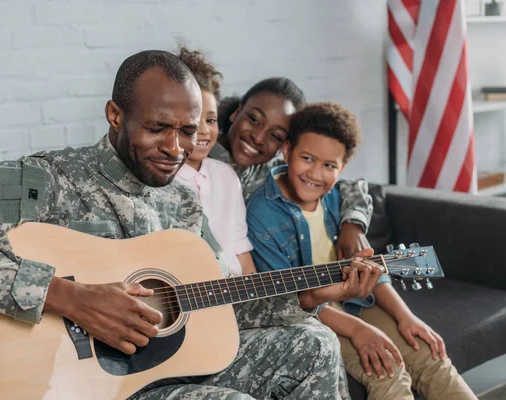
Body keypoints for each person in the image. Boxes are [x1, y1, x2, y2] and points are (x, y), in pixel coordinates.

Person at [0, 50, 384, 400]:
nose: (176, 148)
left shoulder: (182, 205)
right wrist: (67, 296)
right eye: (158, 128)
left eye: (189, 131)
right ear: (116, 116)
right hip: (81, 386)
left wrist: (308, 295)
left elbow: (217, 302)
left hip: (168, 368)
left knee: (316, 342)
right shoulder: (46, 180)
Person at [246, 102, 476, 400]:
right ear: (288, 151)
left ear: (341, 168)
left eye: (329, 165)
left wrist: (406, 317)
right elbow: (288, 298)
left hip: (355, 301)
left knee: (430, 356)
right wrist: (358, 330)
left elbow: (372, 271)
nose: (315, 173)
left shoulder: (337, 199)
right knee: (386, 371)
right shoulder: (262, 212)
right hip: (311, 316)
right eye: (307, 158)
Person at [211, 78, 374, 261]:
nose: (258, 137)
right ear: (236, 113)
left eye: (275, 135)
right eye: (254, 120)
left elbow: (349, 187)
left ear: (284, 147)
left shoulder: (271, 173)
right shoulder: (198, 157)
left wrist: (353, 225)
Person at [174, 46, 256, 277]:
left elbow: (240, 246)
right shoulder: (162, 179)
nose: (203, 130)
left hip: (237, 289)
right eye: (192, 119)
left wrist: (258, 297)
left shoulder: (227, 176)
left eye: (210, 119)